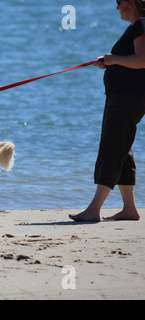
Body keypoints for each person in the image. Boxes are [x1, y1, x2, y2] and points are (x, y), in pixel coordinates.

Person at [70, 0, 145, 222]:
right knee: (122, 148)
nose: (116, 7)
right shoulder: (137, 26)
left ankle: (93, 210)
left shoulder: (141, 24)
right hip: (125, 96)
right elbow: (132, 61)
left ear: (130, 2)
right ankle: (129, 209)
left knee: (112, 146)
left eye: (118, 2)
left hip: (127, 98)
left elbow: (142, 60)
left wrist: (113, 59)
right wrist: (110, 63)